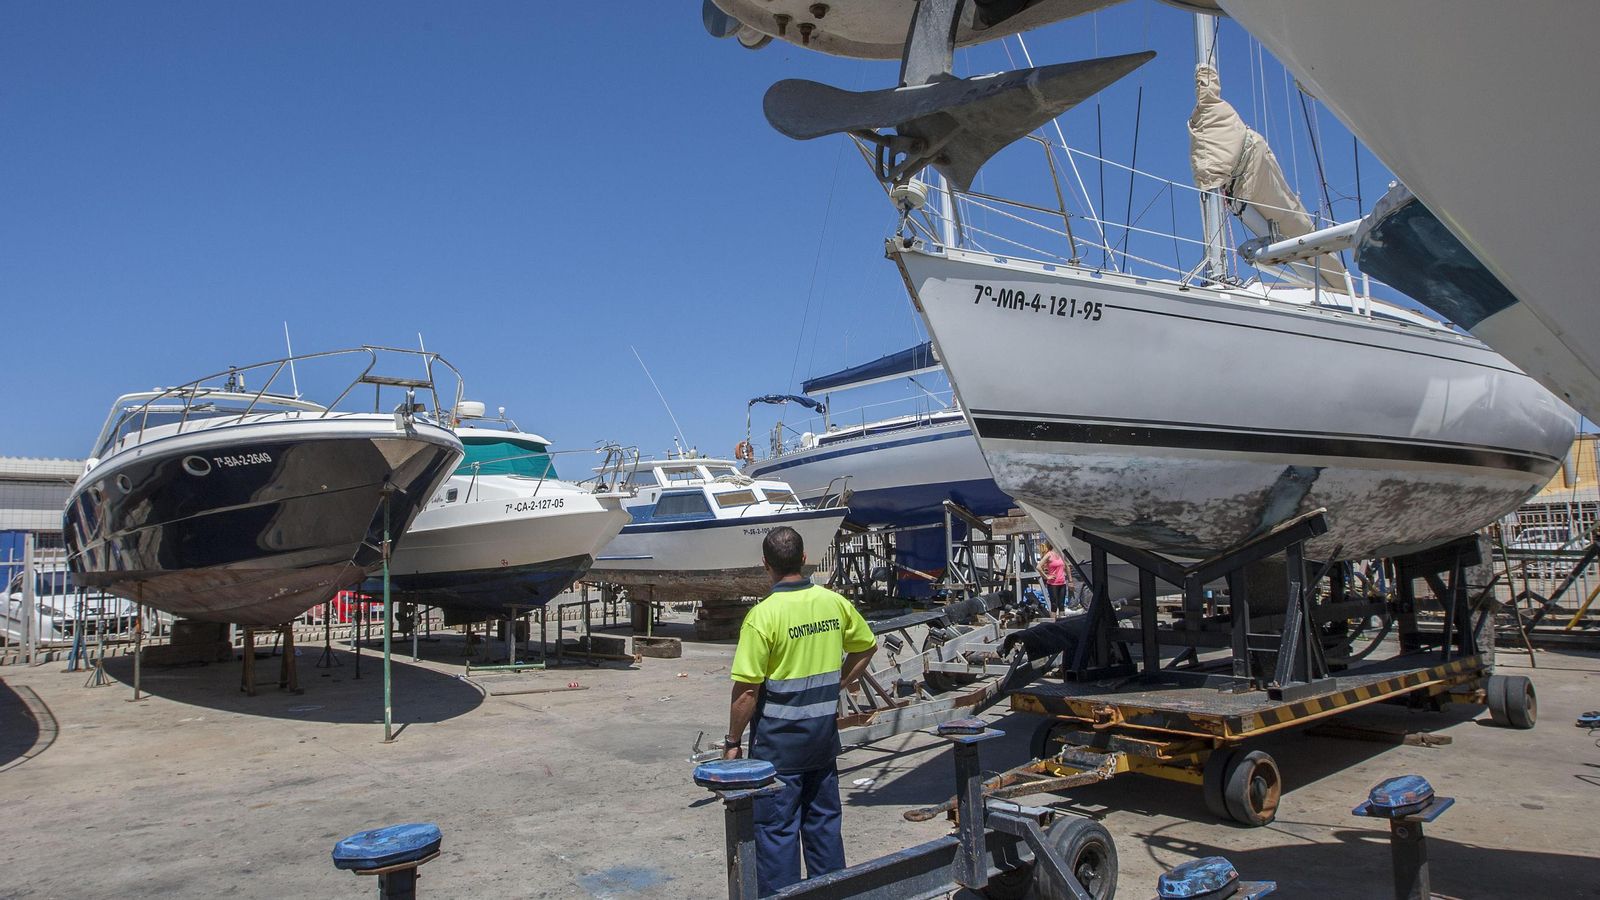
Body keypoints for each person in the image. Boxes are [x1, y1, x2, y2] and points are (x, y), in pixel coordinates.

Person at [722, 526, 878, 894]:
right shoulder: (833, 603)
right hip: (822, 741)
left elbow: (747, 690)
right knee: (824, 829)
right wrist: (840, 682)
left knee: (776, 836)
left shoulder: (763, 616)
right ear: (805, 558)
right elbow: (866, 646)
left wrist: (732, 740)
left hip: (779, 750)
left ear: (766, 565)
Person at [1039, 540, 1073, 615]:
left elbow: (1067, 567)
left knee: (1061, 605)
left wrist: (1070, 581)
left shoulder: (1062, 554)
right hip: (1053, 584)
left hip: (1062, 582)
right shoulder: (1049, 554)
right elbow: (1038, 567)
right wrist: (1046, 577)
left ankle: (1062, 623)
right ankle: (1053, 623)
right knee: (1054, 605)